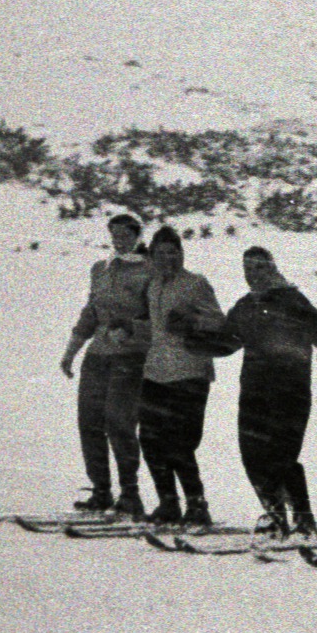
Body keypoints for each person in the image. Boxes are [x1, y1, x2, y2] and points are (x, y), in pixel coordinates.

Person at [219, 246, 317, 538]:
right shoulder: (244, 306)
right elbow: (225, 343)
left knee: (281, 455)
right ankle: (276, 517)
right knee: (252, 456)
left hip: (290, 390)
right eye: (248, 269)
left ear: (272, 269)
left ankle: (304, 521)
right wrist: (189, 334)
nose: (253, 275)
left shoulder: (292, 300)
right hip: (253, 390)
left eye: (260, 268)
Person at [60, 213, 151, 519]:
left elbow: (156, 315)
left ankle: (130, 494)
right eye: (114, 233)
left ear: (138, 235)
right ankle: (101, 491)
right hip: (97, 356)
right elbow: (91, 312)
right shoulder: (101, 269)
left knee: (119, 423)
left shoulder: (150, 270)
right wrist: (72, 350)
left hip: (131, 357)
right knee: (89, 422)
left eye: (125, 234)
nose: (119, 239)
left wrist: (130, 330)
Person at [136, 225, 226, 527]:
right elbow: (155, 328)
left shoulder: (196, 284)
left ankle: (197, 504)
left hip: (189, 372)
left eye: (173, 252)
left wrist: (191, 321)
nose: (167, 258)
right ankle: (168, 502)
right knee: (148, 439)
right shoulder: (153, 285)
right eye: (160, 253)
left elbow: (219, 322)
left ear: (182, 254)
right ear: (151, 257)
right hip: (156, 371)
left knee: (179, 443)